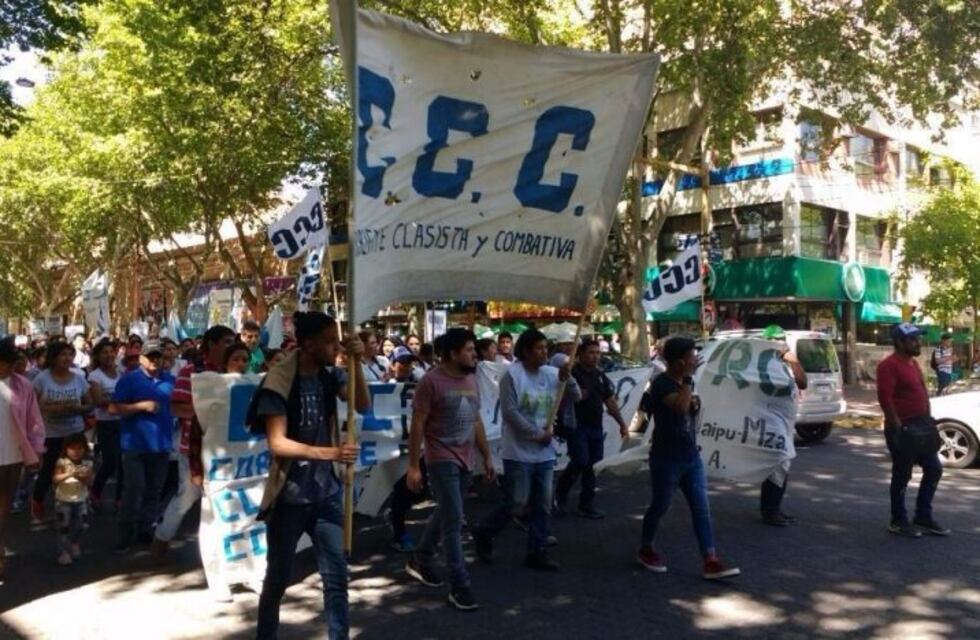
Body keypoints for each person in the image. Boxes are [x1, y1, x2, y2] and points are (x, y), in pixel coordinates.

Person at [247, 311, 369, 640]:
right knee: (278, 579)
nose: (335, 347)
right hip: (289, 498)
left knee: (337, 578)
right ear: (309, 344)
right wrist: (332, 453)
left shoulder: (332, 375)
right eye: (329, 342)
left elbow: (363, 405)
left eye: (337, 341)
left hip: (327, 493)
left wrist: (356, 361)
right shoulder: (278, 381)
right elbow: (278, 443)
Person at [473, 329, 579, 572]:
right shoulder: (513, 375)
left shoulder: (553, 374)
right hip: (518, 451)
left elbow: (576, 395)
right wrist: (536, 434)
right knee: (516, 501)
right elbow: (510, 412)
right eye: (539, 348)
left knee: (542, 503)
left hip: (544, 452)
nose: (544, 352)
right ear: (526, 351)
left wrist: (568, 377)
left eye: (546, 348)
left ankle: (537, 550)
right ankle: (485, 531)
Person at [404, 329, 495, 611]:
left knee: (446, 510)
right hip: (440, 458)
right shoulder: (431, 382)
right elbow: (418, 424)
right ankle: (460, 585)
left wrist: (487, 456)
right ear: (453, 353)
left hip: (466, 457)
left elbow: (476, 418)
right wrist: (412, 466)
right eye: (469, 350)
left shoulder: (471, 378)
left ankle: (421, 556)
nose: (474, 354)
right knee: (454, 519)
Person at [636, 337, 740, 580]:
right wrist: (689, 380)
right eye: (692, 356)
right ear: (679, 362)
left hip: (691, 458)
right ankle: (646, 547)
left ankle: (710, 559)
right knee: (660, 506)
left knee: (702, 510)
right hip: (666, 459)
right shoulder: (661, 383)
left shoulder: (684, 382)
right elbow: (681, 407)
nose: (696, 360)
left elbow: (691, 409)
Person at [153, 325, 236, 558]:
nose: (232, 347)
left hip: (227, 450)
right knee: (187, 497)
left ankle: (223, 554)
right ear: (212, 344)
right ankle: (162, 536)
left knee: (224, 500)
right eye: (227, 342)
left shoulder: (234, 372)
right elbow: (177, 408)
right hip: (193, 448)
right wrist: (213, 411)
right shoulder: (190, 371)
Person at [876, 323, 948, 538]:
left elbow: (922, 392)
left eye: (918, 338)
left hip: (922, 426)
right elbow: (885, 398)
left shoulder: (913, 363)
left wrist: (928, 418)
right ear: (899, 342)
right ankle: (898, 520)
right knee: (902, 474)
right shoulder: (888, 365)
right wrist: (897, 426)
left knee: (934, 469)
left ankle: (923, 516)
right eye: (913, 339)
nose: (918, 342)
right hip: (904, 429)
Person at [109, 340, 176, 552]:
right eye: (151, 356)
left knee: (154, 490)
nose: (155, 360)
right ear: (141, 358)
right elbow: (113, 409)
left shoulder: (170, 380)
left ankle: (146, 530)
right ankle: (125, 533)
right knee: (134, 489)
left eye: (159, 356)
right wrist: (141, 406)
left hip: (162, 445)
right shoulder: (129, 380)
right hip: (134, 445)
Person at [555, 339, 629, 519]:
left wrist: (622, 423)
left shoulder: (600, 376)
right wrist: (575, 393)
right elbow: (561, 394)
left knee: (593, 465)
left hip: (595, 426)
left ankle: (586, 504)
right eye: (590, 352)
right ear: (580, 355)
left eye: (597, 352)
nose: (595, 356)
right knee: (580, 460)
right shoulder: (571, 373)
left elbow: (610, 401)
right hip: (576, 425)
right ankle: (561, 493)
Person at [31, 342, 93, 524]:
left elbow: (90, 404)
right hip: (50, 434)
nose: (67, 358)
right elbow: (31, 406)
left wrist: (78, 408)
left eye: (70, 354)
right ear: (53, 357)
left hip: (74, 432)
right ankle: (37, 503)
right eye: (63, 354)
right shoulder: (41, 379)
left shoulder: (79, 379)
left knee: (78, 470)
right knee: (49, 470)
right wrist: (50, 408)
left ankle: (78, 506)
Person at [0, 338, 45, 576]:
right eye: (2, 363)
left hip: (13, 457)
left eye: (9, 363)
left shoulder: (23, 386)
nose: (6, 367)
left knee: (3, 509)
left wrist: (37, 449)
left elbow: (34, 420)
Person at [757, 326, 807, 527]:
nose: (781, 345)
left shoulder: (786, 363)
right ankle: (770, 510)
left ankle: (774, 508)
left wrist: (793, 361)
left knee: (782, 465)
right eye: (777, 341)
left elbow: (802, 382)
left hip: (785, 422)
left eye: (782, 340)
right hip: (770, 421)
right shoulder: (761, 364)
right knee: (778, 461)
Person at [384, 346, 425, 552]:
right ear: (392, 365)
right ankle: (399, 531)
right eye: (402, 362)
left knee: (420, 489)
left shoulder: (419, 385)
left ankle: (394, 516)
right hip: (394, 447)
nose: (407, 366)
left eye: (410, 362)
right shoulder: (385, 388)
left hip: (418, 445)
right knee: (403, 490)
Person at [88, 339, 124, 511]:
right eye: (104, 352)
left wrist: (121, 404)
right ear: (98, 356)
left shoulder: (121, 372)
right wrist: (122, 401)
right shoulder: (95, 376)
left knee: (124, 461)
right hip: (105, 423)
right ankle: (95, 491)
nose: (109, 355)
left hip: (124, 421)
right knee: (110, 461)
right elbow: (98, 400)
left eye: (111, 351)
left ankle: (120, 499)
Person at [51, 433, 93, 566]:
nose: (76, 452)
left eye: (79, 448)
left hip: (81, 500)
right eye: (72, 448)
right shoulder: (62, 462)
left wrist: (82, 476)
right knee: (63, 526)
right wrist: (69, 473)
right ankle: (63, 552)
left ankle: (74, 542)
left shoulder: (88, 463)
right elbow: (55, 479)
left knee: (81, 525)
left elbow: (90, 481)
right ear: (66, 449)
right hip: (63, 500)